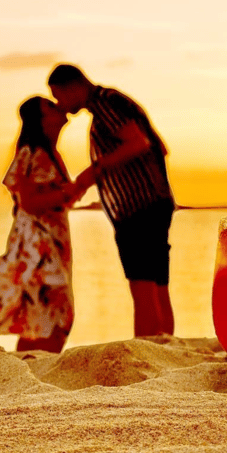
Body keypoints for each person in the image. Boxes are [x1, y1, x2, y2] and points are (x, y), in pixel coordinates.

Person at [48, 63, 176, 337]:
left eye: (58, 95)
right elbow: (158, 147)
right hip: (157, 200)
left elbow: (138, 143)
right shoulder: (118, 101)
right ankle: (165, 346)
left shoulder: (104, 103)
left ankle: (147, 348)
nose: (59, 104)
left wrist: (87, 176)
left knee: (141, 285)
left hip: (137, 207)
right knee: (157, 284)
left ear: (72, 86)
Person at [0, 96, 82, 353]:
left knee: (44, 315)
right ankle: (33, 374)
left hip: (51, 243)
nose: (58, 106)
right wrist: (77, 186)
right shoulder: (32, 153)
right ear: (41, 120)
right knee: (47, 314)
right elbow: (29, 202)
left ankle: (32, 374)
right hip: (39, 245)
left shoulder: (49, 153)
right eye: (50, 106)